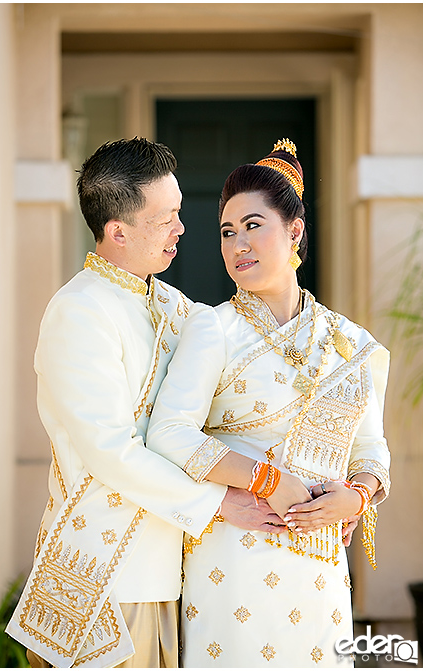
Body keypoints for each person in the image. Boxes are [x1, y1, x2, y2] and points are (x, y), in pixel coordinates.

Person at [6, 138, 289, 668]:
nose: (182, 229)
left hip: (167, 567)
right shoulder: (79, 310)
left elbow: (242, 384)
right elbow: (109, 449)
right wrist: (219, 503)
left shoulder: (172, 305)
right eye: (166, 219)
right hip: (103, 577)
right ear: (117, 231)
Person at [147, 139, 391, 667]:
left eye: (253, 225)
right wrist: (268, 479)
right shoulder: (213, 329)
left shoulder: (349, 342)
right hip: (234, 557)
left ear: (295, 231)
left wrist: (359, 496)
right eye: (227, 232)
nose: (238, 244)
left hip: (322, 567)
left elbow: (372, 451)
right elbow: (169, 432)